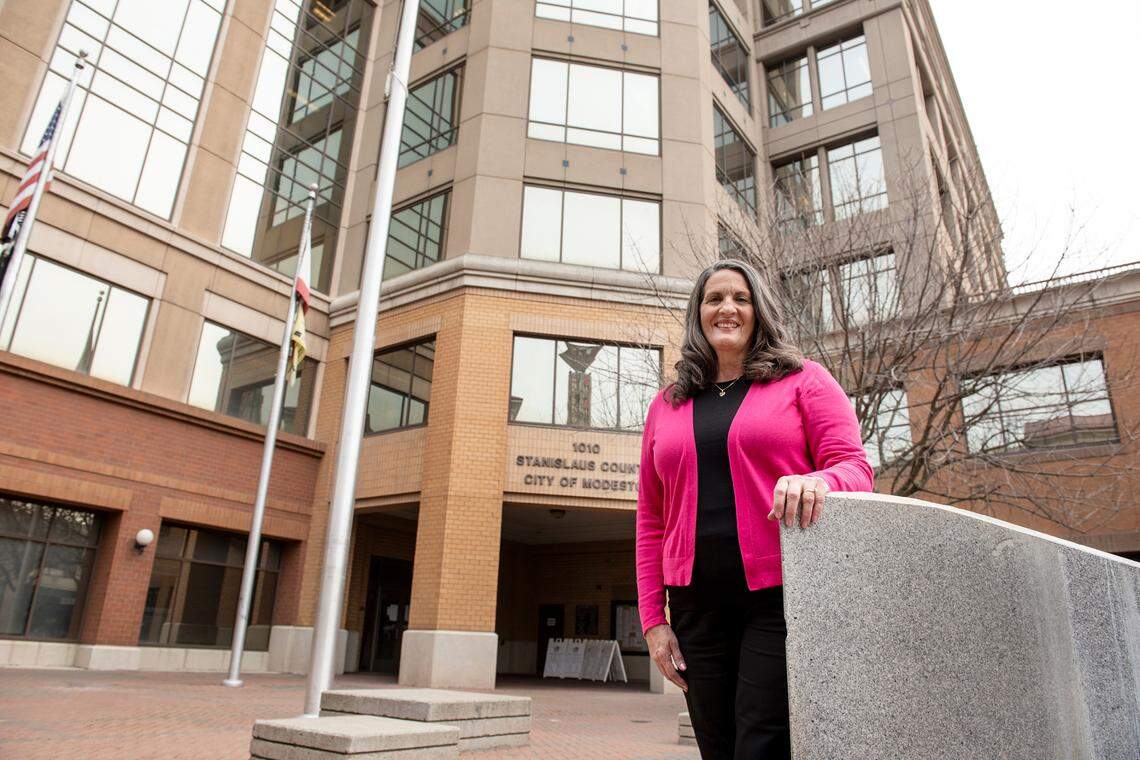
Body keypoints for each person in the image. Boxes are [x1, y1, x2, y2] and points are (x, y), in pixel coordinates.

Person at [635, 259, 873, 759]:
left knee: (761, 743)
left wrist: (818, 481)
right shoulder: (667, 404)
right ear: (698, 313)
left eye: (740, 298)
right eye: (714, 298)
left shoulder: (804, 380)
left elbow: (855, 468)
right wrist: (654, 619)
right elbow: (651, 519)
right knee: (716, 746)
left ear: (758, 311)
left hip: (778, 597)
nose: (727, 308)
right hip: (694, 604)